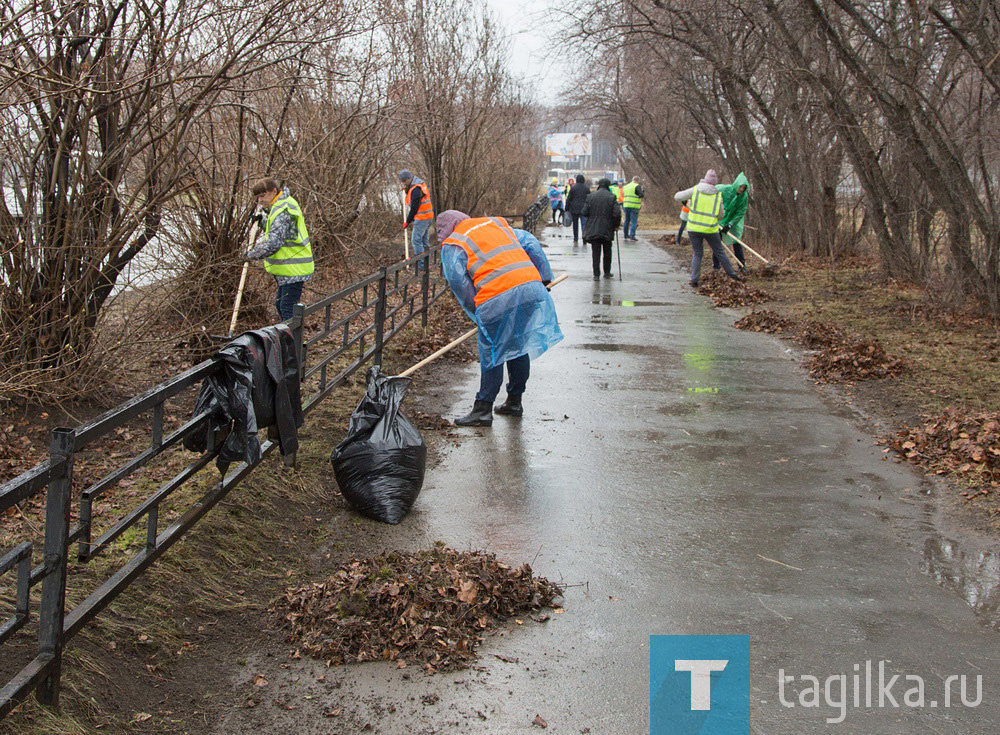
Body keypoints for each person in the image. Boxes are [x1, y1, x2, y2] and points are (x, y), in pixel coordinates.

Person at [436, 210, 563, 426]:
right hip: (530, 287)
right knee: (518, 343)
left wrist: (478, 313)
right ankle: (514, 401)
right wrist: (543, 278)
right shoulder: (495, 224)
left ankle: (483, 409)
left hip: (497, 296)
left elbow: (460, 284)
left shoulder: (454, 243)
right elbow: (531, 243)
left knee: (493, 351)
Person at [246, 178, 314, 321]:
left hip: (294, 268)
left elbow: (274, 243)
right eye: (258, 197)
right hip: (289, 268)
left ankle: (293, 342)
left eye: (263, 195)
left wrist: (250, 255)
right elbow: (283, 232)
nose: (260, 200)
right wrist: (262, 222)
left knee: (287, 308)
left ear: (274, 192)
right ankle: (292, 341)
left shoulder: (283, 209)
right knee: (281, 305)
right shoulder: (282, 206)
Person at [674, 169, 742, 287]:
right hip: (711, 229)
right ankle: (733, 275)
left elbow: (677, 196)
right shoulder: (717, 195)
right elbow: (721, 215)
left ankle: (694, 280)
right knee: (720, 252)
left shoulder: (695, 190)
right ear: (714, 183)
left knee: (697, 253)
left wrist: (687, 203)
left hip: (694, 229)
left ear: (704, 180)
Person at [582, 178, 622, 280]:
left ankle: (596, 274)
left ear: (599, 185)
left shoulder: (591, 196)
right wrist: (616, 225)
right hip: (607, 227)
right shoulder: (612, 197)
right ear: (608, 185)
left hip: (594, 227)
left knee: (595, 251)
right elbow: (617, 213)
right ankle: (607, 272)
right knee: (607, 251)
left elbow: (584, 212)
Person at [712, 172, 751, 273]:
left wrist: (731, 224)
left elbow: (741, 211)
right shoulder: (725, 189)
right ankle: (716, 266)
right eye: (740, 187)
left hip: (733, 219)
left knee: (736, 241)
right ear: (736, 185)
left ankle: (742, 265)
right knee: (717, 241)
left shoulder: (744, 196)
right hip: (720, 218)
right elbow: (712, 190)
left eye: (743, 188)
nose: (741, 190)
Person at [399, 170, 434, 268]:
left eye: (404, 181)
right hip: (428, 216)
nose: (403, 183)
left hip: (422, 218)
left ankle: (421, 265)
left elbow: (414, 207)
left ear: (409, 179)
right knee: (424, 241)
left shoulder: (415, 189)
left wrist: (407, 221)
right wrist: (406, 189)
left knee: (416, 241)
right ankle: (427, 262)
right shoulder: (419, 184)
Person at [565, 174, 590, 246]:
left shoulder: (573, 188)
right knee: (584, 224)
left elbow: (569, 199)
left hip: (574, 209)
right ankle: (584, 238)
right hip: (584, 209)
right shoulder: (586, 188)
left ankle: (575, 238)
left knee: (575, 224)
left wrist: (567, 208)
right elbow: (589, 198)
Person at [622, 176, 644, 241]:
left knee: (626, 221)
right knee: (634, 222)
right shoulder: (637, 186)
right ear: (638, 180)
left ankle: (625, 235)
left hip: (626, 205)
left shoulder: (626, 186)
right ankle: (632, 236)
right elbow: (641, 195)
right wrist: (642, 192)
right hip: (634, 206)